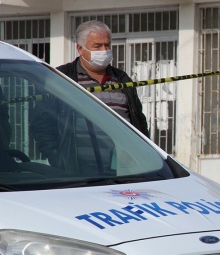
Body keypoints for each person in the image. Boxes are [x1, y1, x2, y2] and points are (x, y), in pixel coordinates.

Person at [31, 20, 148, 171]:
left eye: (107, 45)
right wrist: (58, 158)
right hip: (78, 171)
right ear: (80, 48)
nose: (104, 50)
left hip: (125, 169)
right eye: (97, 46)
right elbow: (42, 123)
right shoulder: (62, 78)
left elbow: (138, 119)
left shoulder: (121, 79)